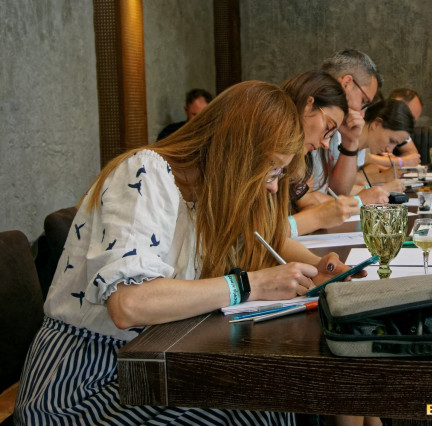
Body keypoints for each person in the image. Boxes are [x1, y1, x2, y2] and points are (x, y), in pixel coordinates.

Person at [15, 81, 361, 425]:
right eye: (271, 170)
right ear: (237, 152)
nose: (272, 186)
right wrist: (249, 284)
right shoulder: (145, 172)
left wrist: (312, 269)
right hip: (83, 384)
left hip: (156, 360)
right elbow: (128, 305)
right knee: (250, 413)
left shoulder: (206, 199)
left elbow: (260, 248)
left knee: (268, 403)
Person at [281, 70, 361, 236]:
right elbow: (259, 232)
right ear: (308, 105)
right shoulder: (268, 149)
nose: (325, 144)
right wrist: (317, 217)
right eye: (328, 128)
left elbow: (307, 201)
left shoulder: (299, 158)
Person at [316, 49, 393, 204]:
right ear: (347, 83)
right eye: (363, 101)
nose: (362, 114)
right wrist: (359, 200)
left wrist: (350, 142)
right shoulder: (305, 120)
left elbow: (339, 191)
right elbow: (304, 200)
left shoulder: (337, 128)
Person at [345, 99, 415, 194]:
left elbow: (351, 180)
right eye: (391, 141)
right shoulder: (344, 141)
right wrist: (383, 189)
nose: (389, 150)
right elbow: (337, 189)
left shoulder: (361, 149)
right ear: (376, 124)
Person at [365, 88, 422, 169]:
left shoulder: (398, 129)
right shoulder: (361, 123)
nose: (389, 150)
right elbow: (361, 158)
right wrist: (397, 161)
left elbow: (413, 155)